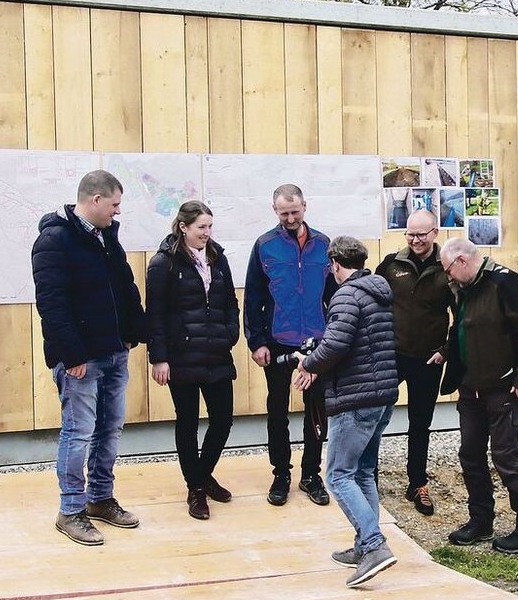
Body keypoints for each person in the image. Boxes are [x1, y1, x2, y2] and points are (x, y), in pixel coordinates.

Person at [31, 170, 147, 546]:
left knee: (109, 429)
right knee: (78, 432)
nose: (117, 212)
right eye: (113, 205)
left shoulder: (107, 237)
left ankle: (100, 499)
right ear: (95, 200)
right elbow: (52, 304)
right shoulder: (55, 240)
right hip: (81, 358)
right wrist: (72, 354)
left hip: (113, 351)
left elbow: (125, 288)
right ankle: (71, 509)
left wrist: (133, 333)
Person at [292, 236, 401, 587]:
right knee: (363, 472)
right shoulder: (377, 291)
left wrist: (307, 362)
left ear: (336, 264)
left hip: (355, 398)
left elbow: (336, 345)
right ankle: (362, 543)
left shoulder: (346, 295)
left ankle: (373, 545)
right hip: (382, 394)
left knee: (338, 475)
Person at [438, 237, 518, 554]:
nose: (447, 277)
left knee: (507, 457)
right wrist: (447, 353)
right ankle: (480, 521)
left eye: (448, 270)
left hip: (503, 386)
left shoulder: (507, 282)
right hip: (471, 387)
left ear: (461, 261)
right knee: (470, 454)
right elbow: (462, 327)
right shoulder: (465, 289)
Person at [146, 201, 240, 521]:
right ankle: (196, 488)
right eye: (201, 227)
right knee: (187, 423)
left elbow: (230, 302)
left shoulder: (218, 256)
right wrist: (159, 358)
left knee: (223, 420)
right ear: (184, 227)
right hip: (181, 356)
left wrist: (230, 333)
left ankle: (201, 474)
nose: (207, 233)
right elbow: (154, 314)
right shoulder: (164, 263)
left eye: (210, 227)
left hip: (216, 352)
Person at [244, 184, 332, 507]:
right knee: (277, 410)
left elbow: (335, 296)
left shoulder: (324, 245)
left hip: (317, 344)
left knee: (316, 410)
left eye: (295, 211)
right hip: (278, 343)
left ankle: (311, 474)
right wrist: (256, 342)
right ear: (275, 211)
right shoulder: (265, 246)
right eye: (284, 213)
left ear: (305, 206)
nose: (291, 218)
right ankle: (281, 473)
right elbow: (252, 296)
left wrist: (334, 340)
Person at [376, 209, 452, 515]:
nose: (415, 239)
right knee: (375, 419)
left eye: (421, 234)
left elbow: (463, 316)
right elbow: (370, 301)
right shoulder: (391, 265)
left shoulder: (447, 267)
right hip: (392, 355)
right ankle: (369, 478)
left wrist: (446, 350)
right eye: (410, 233)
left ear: (435, 233)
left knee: (420, 424)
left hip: (429, 360)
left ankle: (417, 483)